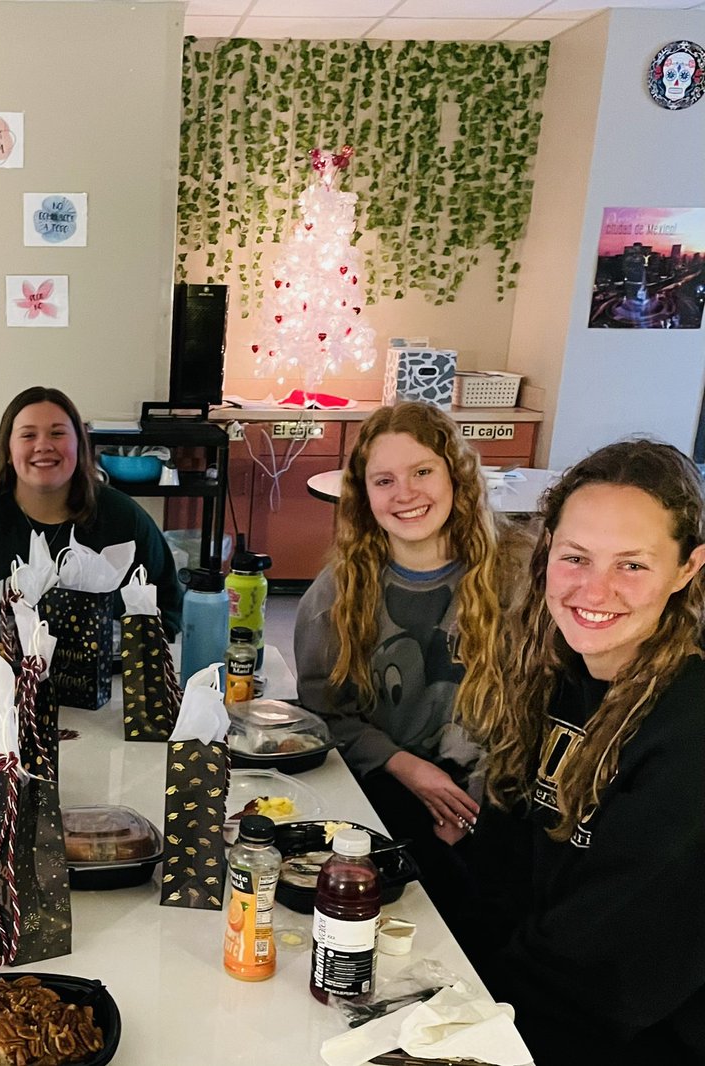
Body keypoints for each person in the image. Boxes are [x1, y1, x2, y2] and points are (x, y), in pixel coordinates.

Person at [462, 440, 705, 1063]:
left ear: (687, 569)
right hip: (526, 995)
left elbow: (614, 957)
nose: (594, 590)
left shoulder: (688, 723)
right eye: (576, 557)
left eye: (633, 565)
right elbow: (505, 852)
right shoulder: (559, 671)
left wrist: (466, 1015)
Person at [294, 401, 524, 914]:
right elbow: (325, 713)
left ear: (457, 475)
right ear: (364, 495)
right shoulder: (337, 593)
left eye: (422, 471)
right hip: (389, 782)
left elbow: (536, 710)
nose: (406, 494)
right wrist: (409, 770)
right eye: (384, 480)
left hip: (499, 789)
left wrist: (472, 803)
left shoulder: (518, 578)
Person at [0, 385, 182, 646]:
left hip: (102, 683)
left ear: (80, 445)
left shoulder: (124, 518)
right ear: (8, 449)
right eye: (28, 435)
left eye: (57, 433)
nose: (43, 445)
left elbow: (168, 605)